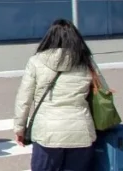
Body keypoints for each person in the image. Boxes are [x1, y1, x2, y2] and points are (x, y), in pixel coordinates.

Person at [13, 19, 97, 171]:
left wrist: (20, 128)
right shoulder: (85, 61)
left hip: (47, 133)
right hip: (81, 131)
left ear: (49, 38)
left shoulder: (36, 61)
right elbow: (101, 93)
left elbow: (24, 99)